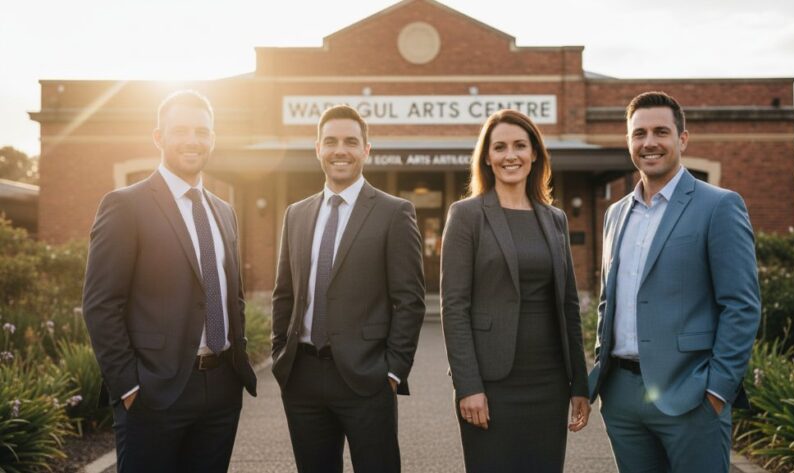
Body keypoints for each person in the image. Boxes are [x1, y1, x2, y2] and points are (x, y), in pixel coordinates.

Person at [82, 89, 257, 472]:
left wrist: (235, 365)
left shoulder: (224, 212)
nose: (193, 140)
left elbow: (233, 297)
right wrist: (129, 387)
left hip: (221, 391)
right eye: (181, 130)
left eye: (202, 131)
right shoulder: (126, 205)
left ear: (213, 138)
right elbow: (101, 304)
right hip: (154, 393)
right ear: (158, 137)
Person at [588, 91, 761, 472]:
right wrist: (603, 373)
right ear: (628, 141)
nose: (649, 143)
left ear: (682, 139)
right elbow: (608, 301)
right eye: (639, 134)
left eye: (660, 132)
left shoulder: (719, 205)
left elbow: (742, 305)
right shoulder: (615, 214)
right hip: (621, 397)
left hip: (691, 395)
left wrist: (717, 390)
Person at [271, 104, 426, 473]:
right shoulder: (296, 214)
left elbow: (410, 300)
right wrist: (281, 355)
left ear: (366, 149)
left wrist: (392, 371)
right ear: (318, 148)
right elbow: (284, 293)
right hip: (303, 378)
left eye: (351, 142)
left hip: (367, 378)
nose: (340, 150)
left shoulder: (395, 212)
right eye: (331, 141)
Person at [441, 109, 591, 472]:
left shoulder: (555, 218)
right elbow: (454, 307)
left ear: (535, 153)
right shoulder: (467, 215)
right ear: (488, 158)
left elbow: (569, 305)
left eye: (520, 145)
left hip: (549, 382)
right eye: (500, 147)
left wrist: (579, 384)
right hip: (491, 385)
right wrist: (468, 386)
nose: (511, 155)